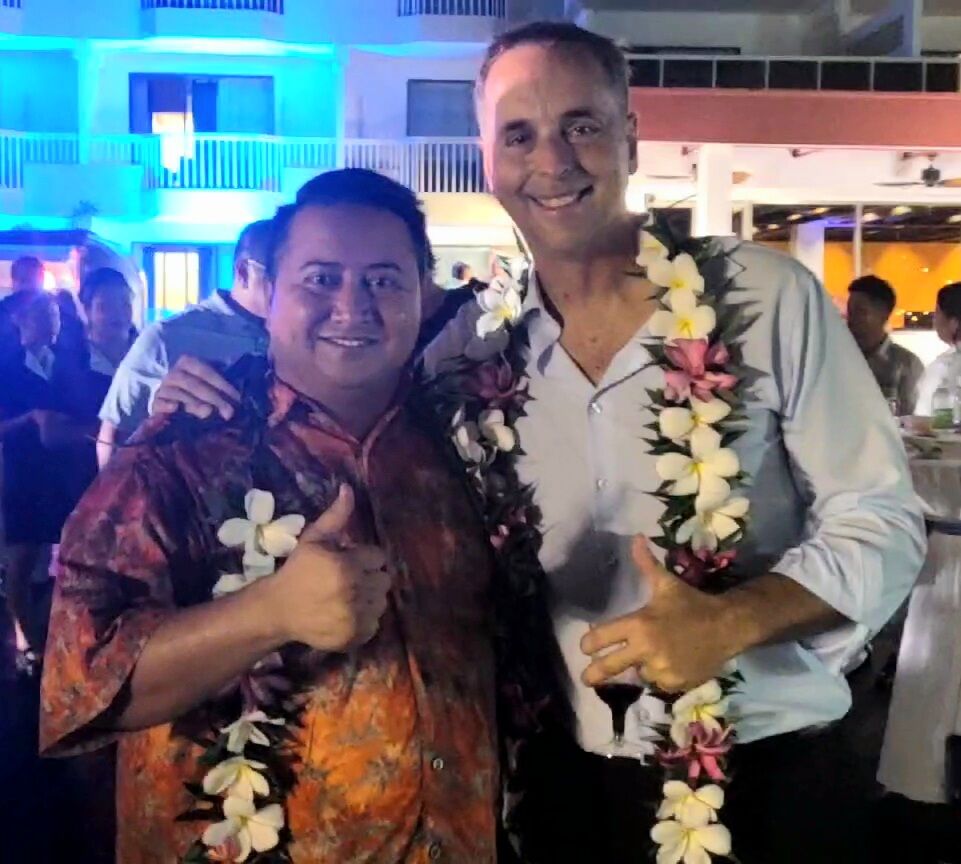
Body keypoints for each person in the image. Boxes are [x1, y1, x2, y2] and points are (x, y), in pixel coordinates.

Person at [143, 23, 926, 864]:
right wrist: (213, 401)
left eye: (581, 126)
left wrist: (731, 621)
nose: (551, 161)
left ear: (629, 136)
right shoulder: (468, 353)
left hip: (768, 769)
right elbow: (342, 399)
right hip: (557, 785)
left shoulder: (763, 300)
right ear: (487, 157)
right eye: (519, 134)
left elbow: (880, 521)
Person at [38, 169, 502, 864]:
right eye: (320, 279)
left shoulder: (463, 446)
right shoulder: (180, 452)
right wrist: (269, 614)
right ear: (269, 293)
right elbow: (80, 685)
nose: (352, 307)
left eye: (382, 280)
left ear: (422, 295)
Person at [96, 220, 272, 465]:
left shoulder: (298, 339)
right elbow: (112, 437)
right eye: (277, 276)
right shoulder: (168, 337)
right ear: (244, 272)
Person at [0, 292, 82, 656]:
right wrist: (29, 419)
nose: (51, 321)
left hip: (64, 471)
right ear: (20, 320)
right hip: (24, 471)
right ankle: (24, 640)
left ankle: (62, 636)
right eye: (41, 314)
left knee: (69, 554)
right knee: (21, 557)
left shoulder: (70, 362)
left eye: (54, 314)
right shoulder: (7, 368)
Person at [846, 275, 923, 416]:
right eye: (849, 312)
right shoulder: (838, 359)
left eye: (860, 312)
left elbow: (911, 419)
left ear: (884, 315)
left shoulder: (906, 364)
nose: (851, 319)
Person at [916, 281, 961, 417]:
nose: (934, 320)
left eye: (936, 313)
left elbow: (923, 416)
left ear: (953, 323)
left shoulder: (943, 367)